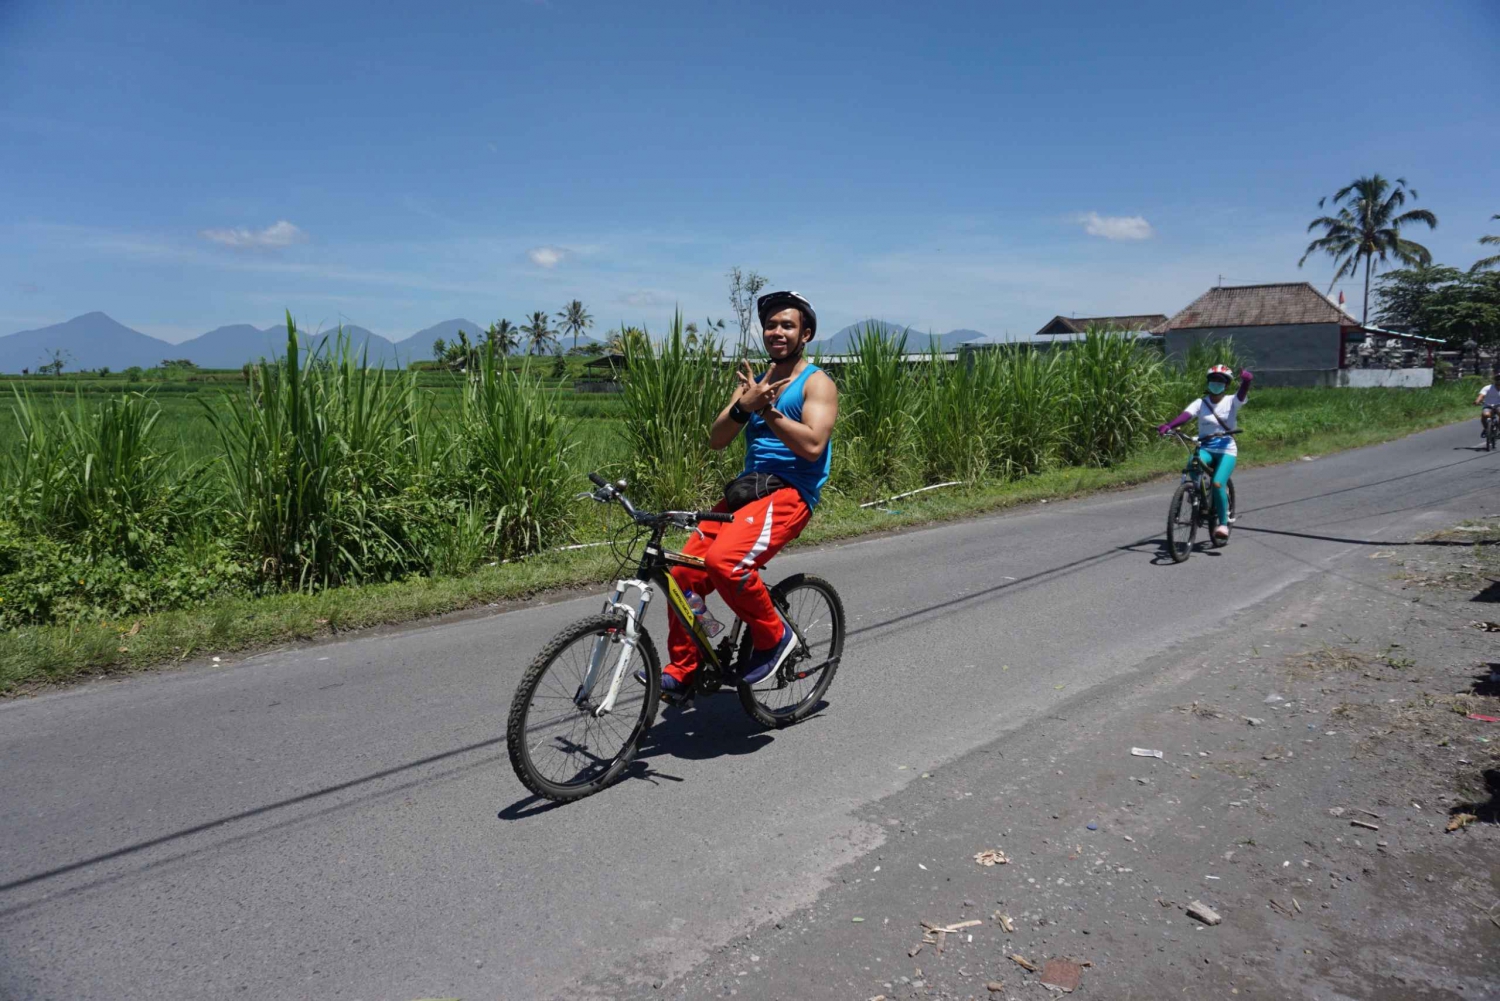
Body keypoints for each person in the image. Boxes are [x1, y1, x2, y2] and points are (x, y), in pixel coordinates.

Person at [646, 291, 838, 697]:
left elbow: (812, 447)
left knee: (725, 562)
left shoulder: (817, 383)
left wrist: (766, 411)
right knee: (682, 573)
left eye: (787, 325)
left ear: (806, 333)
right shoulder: (755, 383)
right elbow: (717, 438)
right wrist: (744, 406)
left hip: (791, 493)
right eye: (771, 325)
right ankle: (685, 668)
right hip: (749, 492)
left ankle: (774, 638)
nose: (777, 332)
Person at [1157, 364, 1253, 542]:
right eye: (1213, 380)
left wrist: (1246, 381)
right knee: (1192, 465)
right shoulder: (1201, 403)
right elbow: (1186, 415)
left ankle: (1223, 523)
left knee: (1217, 484)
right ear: (1208, 383)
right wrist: (1169, 426)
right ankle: (1195, 493)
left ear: (1226, 385)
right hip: (1206, 446)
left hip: (1226, 449)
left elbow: (1241, 395)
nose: (1216, 383)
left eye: (1220, 381)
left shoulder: (1231, 401)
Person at [1474, 371, 1500, 439]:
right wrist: (1477, 401)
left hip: (1498, 405)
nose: (1499, 380)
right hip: (1488, 405)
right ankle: (1486, 429)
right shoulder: (1487, 387)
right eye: (1498, 379)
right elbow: (1481, 396)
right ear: (1495, 380)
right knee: (1485, 415)